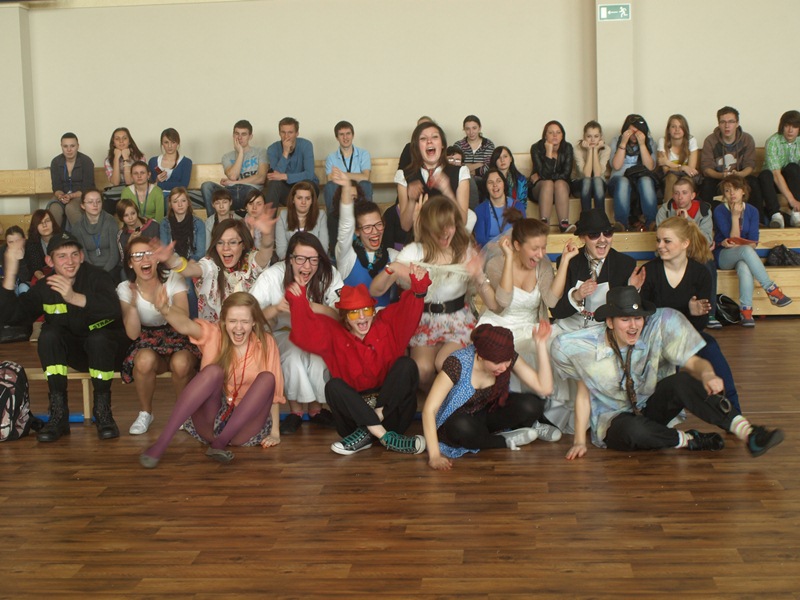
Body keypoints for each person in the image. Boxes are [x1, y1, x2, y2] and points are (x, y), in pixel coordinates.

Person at [552, 286, 784, 459]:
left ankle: (749, 433)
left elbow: (695, 363)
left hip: (651, 406)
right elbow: (583, 392)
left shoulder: (658, 326)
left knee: (682, 380)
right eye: (625, 320)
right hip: (615, 422)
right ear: (610, 322)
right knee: (634, 430)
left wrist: (707, 375)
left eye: (637, 318)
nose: (633, 326)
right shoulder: (582, 347)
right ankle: (689, 440)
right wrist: (579, 441)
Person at [0, 232, 128, 442]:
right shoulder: (46, 286)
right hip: (75, 353)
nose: (70, 261)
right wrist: (11, 272)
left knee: (99, 339)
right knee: (49, 335)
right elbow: (11, 316)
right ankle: (59, 415)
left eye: (74, 254)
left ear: (82, 256)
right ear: (49, 261)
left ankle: (103, 412)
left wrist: (73, 297)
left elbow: (114, 310)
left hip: (108, 352)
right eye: (62, 256)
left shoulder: (98, 277)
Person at [286, 272, 431, 455]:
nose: (362, 317)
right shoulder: (333, 333)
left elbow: (408, 312)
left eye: (367, 310)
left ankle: (369, 429)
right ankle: (386, 437)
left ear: (373, 311)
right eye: (354, 313)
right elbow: (305, 332)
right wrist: (298, 300)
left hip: (390, 414)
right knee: (333, 386)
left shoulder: (387, 323)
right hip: (354, 420)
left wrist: (418, 289)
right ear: (345, 317)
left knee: (406, 365)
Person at [139, 292, 285, 468]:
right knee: (213, 371)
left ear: (254, 322)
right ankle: (162, 443)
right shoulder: (215, 334)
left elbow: (274, 395)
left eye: (245, 322)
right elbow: (186, 326)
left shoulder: (267, 343)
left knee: (267, 378)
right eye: (232, 321)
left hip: (244, 427)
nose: (238, 328)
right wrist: (164, 309)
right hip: (211, 421)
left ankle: (219, 445)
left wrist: (275, 433)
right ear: (224, 321)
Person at [370, 196, 481, 391]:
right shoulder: (414, 251)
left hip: (457, 319)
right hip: (424, 319)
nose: (445, 233)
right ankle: (438, 401)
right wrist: (392, 268)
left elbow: (485, 291)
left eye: (449, 226)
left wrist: (479, 275)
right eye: (439, 228)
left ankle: (446, 404)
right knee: (422, 371)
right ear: (428, 228)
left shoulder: (464, 251)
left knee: (445, 364)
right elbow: (375, 290)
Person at [422, 324, 556, 470]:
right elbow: (429, 410)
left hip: (487, 414)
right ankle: (503, 441)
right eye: (497, 363)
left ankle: (519, 430)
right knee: (461, 426)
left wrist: (540, 344)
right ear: (480, 356)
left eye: (507, 361)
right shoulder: (457, 364)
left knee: (531, 405)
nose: (504, 368)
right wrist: (434, 456)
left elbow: (544, 388)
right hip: (459, 422)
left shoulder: (505, 356)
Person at [641, 217, 741, 412]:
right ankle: (666, 413)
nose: (660, 246)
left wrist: (694, 313)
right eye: (658, 240)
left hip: (687, 336)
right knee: (674, 363)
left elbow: (700, 325)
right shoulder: (649, 271)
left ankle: (734, 414)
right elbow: (646, 317)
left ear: (685, 243)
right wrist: (686, 311)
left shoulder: (700, 273)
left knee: (711, 347)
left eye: (667, 241)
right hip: (655, 340)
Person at [250, 232, 344, 434]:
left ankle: (316, 409)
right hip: (283, 332)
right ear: (290, 259)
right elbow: (250, 315)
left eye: (313, 259)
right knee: (293, 356)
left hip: (318, 333)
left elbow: (341, 314)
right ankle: (296, 411)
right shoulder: (272, 276)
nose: (307, 266)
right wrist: (275, 309)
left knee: (318, 359)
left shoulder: (329, 274)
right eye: (300, 259)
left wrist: (311, 306)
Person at [478, 216, 577, 383]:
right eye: (535, 248)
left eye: (544, 248)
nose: (540, 254)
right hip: (500, 327)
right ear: (517, 245)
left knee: (559, 350)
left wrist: (565, 261)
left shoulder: (543, 266)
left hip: (530, 328)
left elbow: (551, 301)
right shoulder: (495, 264)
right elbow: (503, 301)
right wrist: (509, 258)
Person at [117, 237, 200, 435]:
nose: (144, 259)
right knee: (143, 361)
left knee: (181, 363)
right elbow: (132, 333)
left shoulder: (173, 278)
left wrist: (164, 307)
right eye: (137, 256)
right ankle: (146, 412)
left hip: (177, 333)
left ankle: (183, 413)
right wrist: (133, 305)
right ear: (130, 263)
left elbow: (184, 320)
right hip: (147, 339)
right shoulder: (125, 288)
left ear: (157, 259)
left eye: (148, 254)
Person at [155, 213, 275, 323]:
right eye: (220, 242)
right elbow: (189, 270)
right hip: (216, 333)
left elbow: (265, 253)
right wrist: (171, 260)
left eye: (233, 242)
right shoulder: (210, 264)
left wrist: (267, 234)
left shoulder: (251, 261)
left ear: (243, 245)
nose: (225, 248)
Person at [713, 175, 792, 326]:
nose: (732, 193)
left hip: (744, 254)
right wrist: (735, 217)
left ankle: (746, 312)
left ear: (743, 191)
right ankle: (771, 289)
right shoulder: (719, 210)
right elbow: (733, 239)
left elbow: (754, 243)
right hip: (723, 256)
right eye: (727, 190)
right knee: (745, 251)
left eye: (736, 189)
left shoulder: (753, 211)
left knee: (744, 265)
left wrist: (741, 245)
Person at [551, 208, 642, 334]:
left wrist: (632, 289)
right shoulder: (569, 261)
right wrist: (576, 296)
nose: (602, 240)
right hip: (568, 331)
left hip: (603, 334)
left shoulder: (625, 264)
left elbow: (630, 316)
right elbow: (557, 312)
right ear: (582, 238)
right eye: (594, 234)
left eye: (607, 233)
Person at [655, 177, 720, 328]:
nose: (680, 197)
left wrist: (689, 221)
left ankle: (710, 313)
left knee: (709, 265)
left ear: (692, 195)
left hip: (696, 253)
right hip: (672, 253)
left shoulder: (703, 210)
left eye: (684, 193)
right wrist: (677, 222)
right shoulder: (665, 210)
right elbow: (661, 235)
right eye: (676, 193)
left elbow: (707, 239)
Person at [331, 171, 398, 306]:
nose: (375, 232)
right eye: (367, 227)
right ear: (357, 231)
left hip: (384, 318)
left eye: (378, 225)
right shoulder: (347, 255)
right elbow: (345, 227)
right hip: (354, 318)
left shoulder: (393, 256)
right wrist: (346, 187)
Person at [394, 121, 471, 234]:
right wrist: (411, 200)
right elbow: (405, 226)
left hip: (450, 240)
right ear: (417, 147)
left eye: (435, 137)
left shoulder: (460, 172)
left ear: (442, 144)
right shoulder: (404, 175)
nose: (429, 141)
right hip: (419, 239)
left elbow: (462, 221)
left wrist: (448, 191)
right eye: (423, 138)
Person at [699, 106, 760, 213]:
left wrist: (740, 174)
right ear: (719, 124)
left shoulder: (747, 139)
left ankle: (758, 219)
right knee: (707, 184)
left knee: (753, 182)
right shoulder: (710, 140)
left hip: (740, 177)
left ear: (737, 123)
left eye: (731, 122)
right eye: (723, 122)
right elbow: (706, 168)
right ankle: (710, 219)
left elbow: (750, 165)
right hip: (718, 178)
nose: (727, 126)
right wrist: (722, 175)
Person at [200, 120, 267, 215]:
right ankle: (214, 220)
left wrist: (235, 182)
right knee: (206, 186)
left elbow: (261, 178)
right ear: (233, 135)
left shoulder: (260, 152)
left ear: (250, 136)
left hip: (250, 193)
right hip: (230, 193)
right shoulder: (227, 156)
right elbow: (233, 176)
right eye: (237, 134)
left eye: (244, 134)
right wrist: (240, 153)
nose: (239, 138)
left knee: (252, 193)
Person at [159, 187, 205, 317]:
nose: (180, 204)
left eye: (183, 201)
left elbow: (200, 251)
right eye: (175, 201)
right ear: (170, 204)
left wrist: (186, 266)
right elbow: (165, 250)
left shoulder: (198, 223)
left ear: (188, 203)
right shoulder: (164, 223)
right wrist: (176, 264)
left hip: (192, 263)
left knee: (187, 281)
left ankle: (194, 321)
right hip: (172, 263)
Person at [608, 114, 658, 230]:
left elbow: (650, 167)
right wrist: (623, 143)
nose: (634, 135)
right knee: (623, 182)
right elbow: (616, 166)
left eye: (638, 132)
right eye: (631, 131)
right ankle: (621, 224)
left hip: (640, 181)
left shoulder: (649, 142)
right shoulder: (617, 140)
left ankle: (651, 222)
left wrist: (642, 144)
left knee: (646, 181)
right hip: (618, 181)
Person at [530, 120, 575, 232]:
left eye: (558, 132)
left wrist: (543, 176)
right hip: (540, 189)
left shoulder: (568, 148)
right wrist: (549, 152)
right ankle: (544, 224)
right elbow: (545, 176)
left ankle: (564, 224)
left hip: (561, 189)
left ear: (562, 135)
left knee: (559, 183)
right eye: (551, 132)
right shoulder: (536, 148)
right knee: (548, 183)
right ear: (545, 135)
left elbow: (565, 174)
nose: (555, 135)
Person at [757, 109, 800, 228]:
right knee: (765, 174)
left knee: (792, 167)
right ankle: (775, 215)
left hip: (793, 181)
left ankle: (796, 213)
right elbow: (776, 174)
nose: (790, 130)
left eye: (794, 126)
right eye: (787, 126)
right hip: (773, 182)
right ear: (782, 126)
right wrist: (791, 200)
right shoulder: (772, 141)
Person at [265, 117, 319, 208]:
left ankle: (307, 217)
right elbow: (275, 176)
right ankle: (268, 217)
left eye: (290, 132)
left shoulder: (306, 145)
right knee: (274, 184)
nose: (286, 136)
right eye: (283, 132)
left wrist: (285, 176)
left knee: (307, 183)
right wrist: (285, 153)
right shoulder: (272, 149)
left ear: (297, 133)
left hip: (306, 189)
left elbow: (309, 174)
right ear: (279, 133)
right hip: (287, 192)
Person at [47, 132, 96, 228]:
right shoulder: (55, 162)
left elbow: (87, 188)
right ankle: (56, 237)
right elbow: (56, 187)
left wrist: (71, 196)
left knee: (71, 208)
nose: (69, 150)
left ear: (78, 146)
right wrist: (61, 196)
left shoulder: (86, 161)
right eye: (65, 146)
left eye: (72, 146)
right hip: (62, 196)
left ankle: (81, 235)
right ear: (61, 147)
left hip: (81, 196)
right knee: (54, 208)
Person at [323, 120, 373, 211]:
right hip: (340, 190)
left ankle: (365, 215)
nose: (345, 137)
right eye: (341, 134)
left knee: (366, 184)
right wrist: (356, 176)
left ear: (353, 135)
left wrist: (341, 174)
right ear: (337, 137)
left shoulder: (363, 153)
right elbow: (330, 179)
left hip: (358, 189)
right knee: (330, 186)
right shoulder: (331, 157)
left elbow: (365, 177)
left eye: (348, 133)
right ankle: (333, 218)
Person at [71, 189, 121, 279]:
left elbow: (115, 254)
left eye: (98, 201)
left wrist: (103, 272)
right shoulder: (78, 227)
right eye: (90, 202)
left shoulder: (110, 221)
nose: (95, 205)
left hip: (111, 267)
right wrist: (94, 272)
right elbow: (83, 255)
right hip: (89, 269)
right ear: (82, 205)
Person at [275, 182, 328, 260]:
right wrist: (296, 261)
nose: (303, 202)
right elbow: (281, 249)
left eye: (307, 198)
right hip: (290, 261)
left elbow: (323, 247)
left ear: (312, 201)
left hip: (315, 261)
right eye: (299, 198)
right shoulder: (283, 216)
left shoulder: (321, 215)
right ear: (293, 199)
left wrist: (310, 260)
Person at [473, 169, 526, 247]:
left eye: (498, 181)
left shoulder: (517, 206)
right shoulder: (480, 210)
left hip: (514, 249)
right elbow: (480, 240)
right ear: (486, 187)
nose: (495, 185)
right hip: (490, 251)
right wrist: (498, 247)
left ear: (504, 184)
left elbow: (524, 234)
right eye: (490, 182)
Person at [657, 114, 699, 201]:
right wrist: (682, 167)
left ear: (685, 129)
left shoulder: (691, 140)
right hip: (669, 176)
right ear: (668, 130)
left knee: (686, 181)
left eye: (680, 127)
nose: (677, 130)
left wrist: (668, 163)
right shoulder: (663, 141)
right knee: (671, 177)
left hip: (687, 176)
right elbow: (666, 170)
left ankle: (686, 208)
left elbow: (691, 170)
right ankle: (668, 208)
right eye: (673, 126)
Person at [102, 127, 145, 213]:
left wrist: (125, 158)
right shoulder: (108, 160)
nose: (121, 141)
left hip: (135, 191)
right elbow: (115, 182)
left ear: (129, 141)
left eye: (124, 138)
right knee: (106, 205)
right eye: (117, 139)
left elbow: (129, 182)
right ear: (113, 143)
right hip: (117, 193)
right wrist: (116, 158)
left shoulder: (139, 157)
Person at [572, 121, 610, 212]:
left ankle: (600, 217)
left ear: (600, 137)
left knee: (597, 180)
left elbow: (597, 174)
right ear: (584, 137)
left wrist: (595, 150)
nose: (592, 140)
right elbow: (586, 174)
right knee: (587, 181)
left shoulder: (606, 149)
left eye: (596, 136)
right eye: (589, 136)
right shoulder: (577, 149)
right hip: (580, 186)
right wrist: (589, 150)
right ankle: (586, 217)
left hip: (599, 187)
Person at [148, 128, 194, 201]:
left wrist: (158, 184)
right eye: (166, 142)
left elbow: (183, 185)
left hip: (177, 198)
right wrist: (156, 181)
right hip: (156, 196)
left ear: (178, 143)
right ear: (162, 143)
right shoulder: (153, 161)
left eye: (173, 142)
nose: (170, 146)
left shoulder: (186, 162)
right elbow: (149, 185)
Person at [116, 198, 160, 262]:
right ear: (121, 218)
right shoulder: (121, 235)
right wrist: (130, 243)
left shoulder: (153, 225)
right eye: (126, 215)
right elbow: (124, 261)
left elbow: (162, 250)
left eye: (133, 213)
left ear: (137, 212)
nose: (130, 218)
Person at [24, 209, 61, 284]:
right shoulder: (32, 243)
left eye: (47, 221)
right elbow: (35, 267)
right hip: (43, 275)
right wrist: (41, 277)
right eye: (40, 223)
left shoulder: (62, 238)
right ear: (35, 226)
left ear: (52, 222)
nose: (44, 225)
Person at [0, 226, 31, 296]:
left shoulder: (30, 249)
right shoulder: (2, 252)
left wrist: (21, 260)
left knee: (23, 287)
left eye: (17, 241)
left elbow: (26, 278)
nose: (14, 245)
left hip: (24, 284)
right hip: (7, 286)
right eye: (10, 242)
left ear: (24, 240)